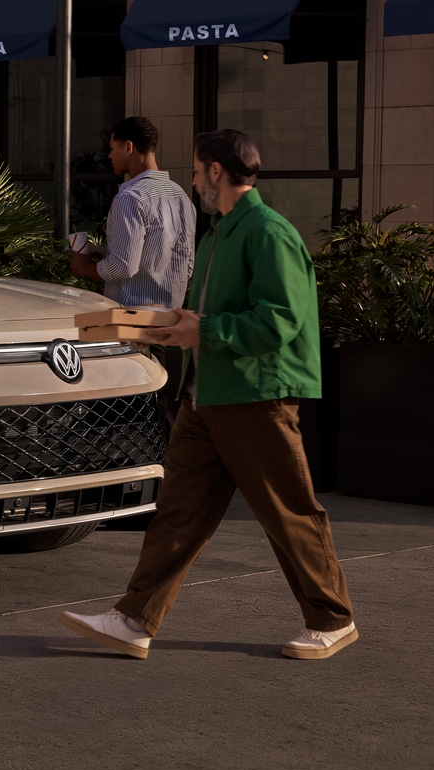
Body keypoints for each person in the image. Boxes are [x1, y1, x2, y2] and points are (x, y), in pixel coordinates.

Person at [57, 127, 358, 663]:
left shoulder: (267, 233)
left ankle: (332, 620)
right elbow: (203, 314)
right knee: (177, 513)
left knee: (288, 511)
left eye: (197, 170)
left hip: (253, 397)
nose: (192, 179)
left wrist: (206, 331)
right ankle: (134, 620)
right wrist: (164, 325)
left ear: (217, 171)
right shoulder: (218, 234)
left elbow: (281, 319)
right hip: (207, 397)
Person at [68, 115, 196, 311]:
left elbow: (123, 267)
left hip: (132, 323)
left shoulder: (130, 197)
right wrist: (102, 252)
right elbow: (185, 267)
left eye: (112, 148)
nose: (109, 156)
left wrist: (82, 268)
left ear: (128, 147)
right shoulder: (182, 197)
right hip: (170, 321)